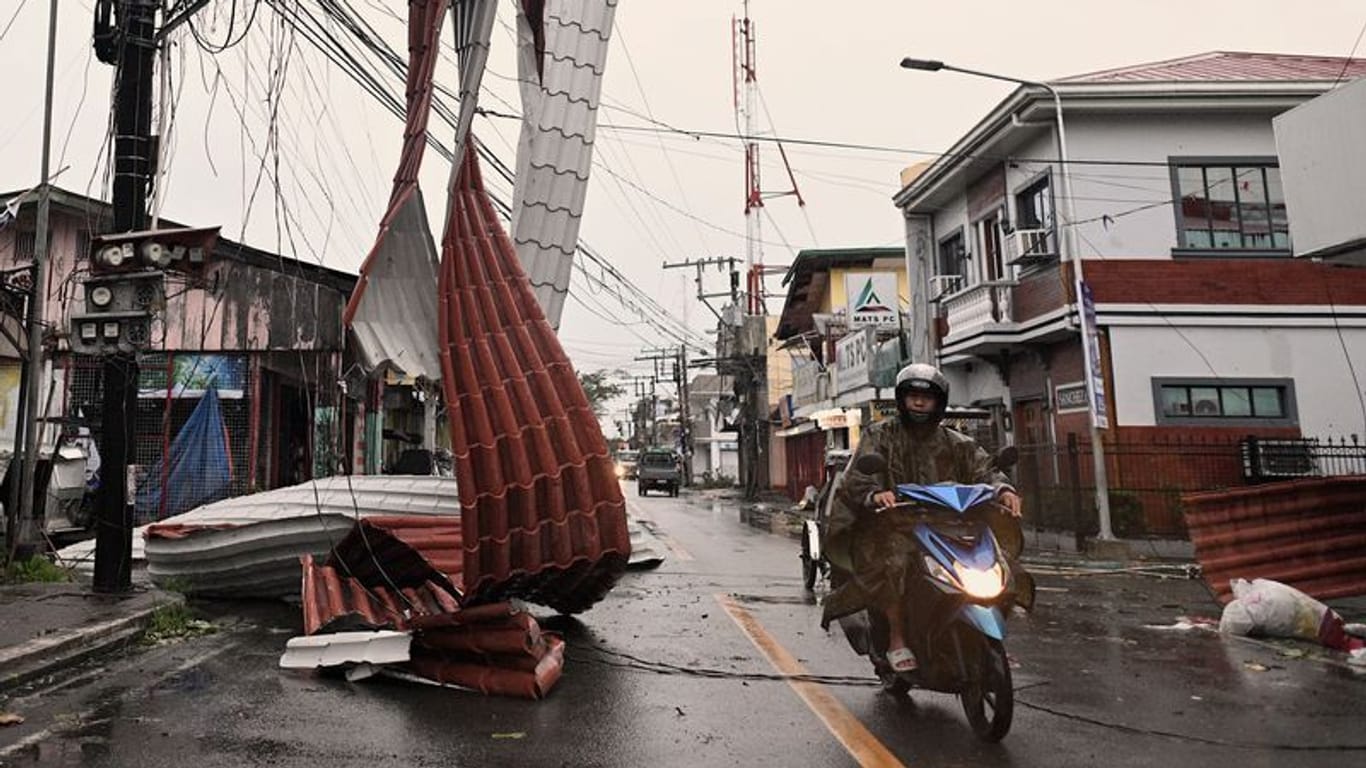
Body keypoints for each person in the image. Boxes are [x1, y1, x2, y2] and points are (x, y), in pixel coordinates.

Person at [820, 363, 1022, 673]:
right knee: (894, 563)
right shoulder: (880, 435)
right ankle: (897, 638)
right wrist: (875, 494)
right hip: (895, 525)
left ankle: (987, 636)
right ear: (901, 400)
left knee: (1000, 563)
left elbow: (987, 470)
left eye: (925, 398)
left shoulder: (957, 443)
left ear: (938, 403)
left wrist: (1004, 490)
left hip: (951, 526)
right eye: (912, 396)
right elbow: (858, 475)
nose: (918, 403)